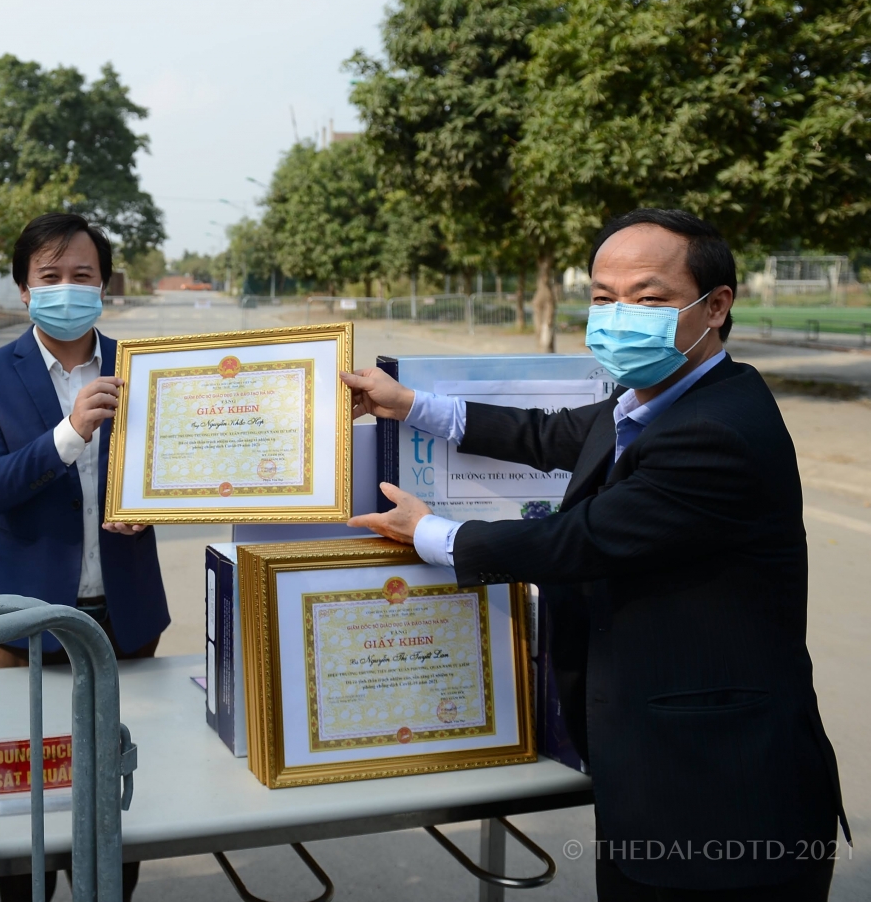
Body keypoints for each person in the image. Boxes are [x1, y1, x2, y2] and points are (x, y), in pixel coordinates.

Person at [344, 209, 846, 901]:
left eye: (648, 298)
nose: (618, 316)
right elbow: (549, 434)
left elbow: (579, 540)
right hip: (654, 784)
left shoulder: (717, 429)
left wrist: (432, 532)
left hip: (724, 803)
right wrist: (410, 404)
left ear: (716, 305)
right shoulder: (653, 397)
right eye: (603, 297)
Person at [0, 212, 168, 902]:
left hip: (124, 621)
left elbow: (186, 467)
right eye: (51, 276)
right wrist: (69, 434)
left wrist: (155, 505)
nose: (68, 288)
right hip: (24, 628)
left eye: (83, 275)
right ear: (23, 288)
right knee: (23, 818)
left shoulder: (148, 370)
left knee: (112, 800)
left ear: (105, 284)